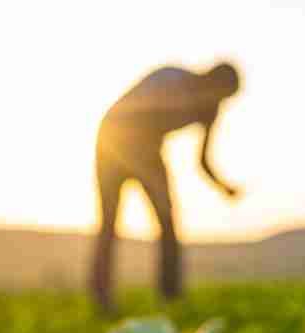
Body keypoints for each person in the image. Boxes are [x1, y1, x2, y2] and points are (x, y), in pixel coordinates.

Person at [90, 62, 241, 309]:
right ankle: (102, 297)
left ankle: (170, 296)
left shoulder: (210, 109)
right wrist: (148, 172)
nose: (218, 100)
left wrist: (222, 186)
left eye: (224, 98)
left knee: (167, 221)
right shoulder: (172, 79)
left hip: (148, 150)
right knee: (109, 221)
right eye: (219, 92)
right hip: (112, 140)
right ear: (211, 79)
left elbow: (202, 160)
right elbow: (136, 119)